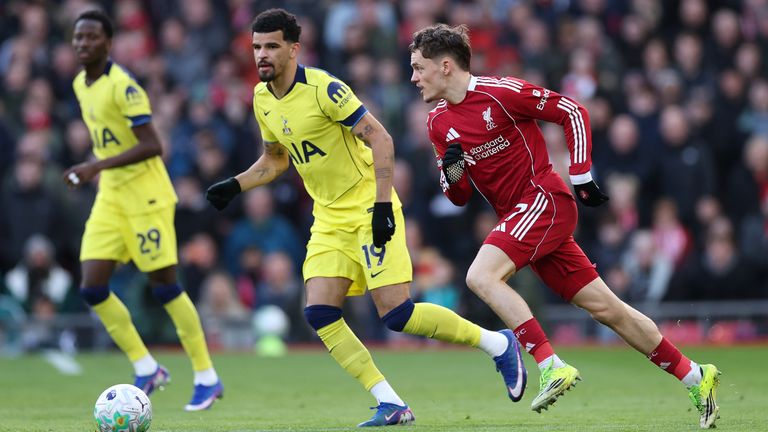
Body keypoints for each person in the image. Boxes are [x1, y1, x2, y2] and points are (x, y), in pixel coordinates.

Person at [205, 9, 525, 427]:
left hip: (368, 207)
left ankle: (497, 343)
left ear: (293, 49)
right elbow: (275, 159)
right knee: (319, 313)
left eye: (271, 46)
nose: (262, 55)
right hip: (329, 219)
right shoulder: (262, 98)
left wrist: (379, 206)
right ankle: (391, 402)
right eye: (257, 47)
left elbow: (381, 139)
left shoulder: (325, 90)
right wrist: (237, 184)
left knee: (397, 314)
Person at [408, 24, 721, 429]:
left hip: (544, 199)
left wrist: (581, 176)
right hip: (522, 218)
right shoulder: (437, 124)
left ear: (445, 66)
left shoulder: (500, 93)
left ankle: (549, 364)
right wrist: (452, 172)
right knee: (609, 310)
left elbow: (572, 111)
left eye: (418, 67)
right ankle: (697, 376)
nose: (414, 77)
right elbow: (460, 197)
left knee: (480, 276)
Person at [64, 10, 222, 411]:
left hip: (147, 198)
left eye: (91, 37)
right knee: (92, 287)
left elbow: (153, 145)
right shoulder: (80, 84)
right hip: (111, 198)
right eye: (77, 38)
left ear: (108, 42)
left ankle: (207, 376)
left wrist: (95, 166)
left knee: (165, 286)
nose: (82, 44)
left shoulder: (125, 88)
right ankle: (146, 366)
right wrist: (100, 170)